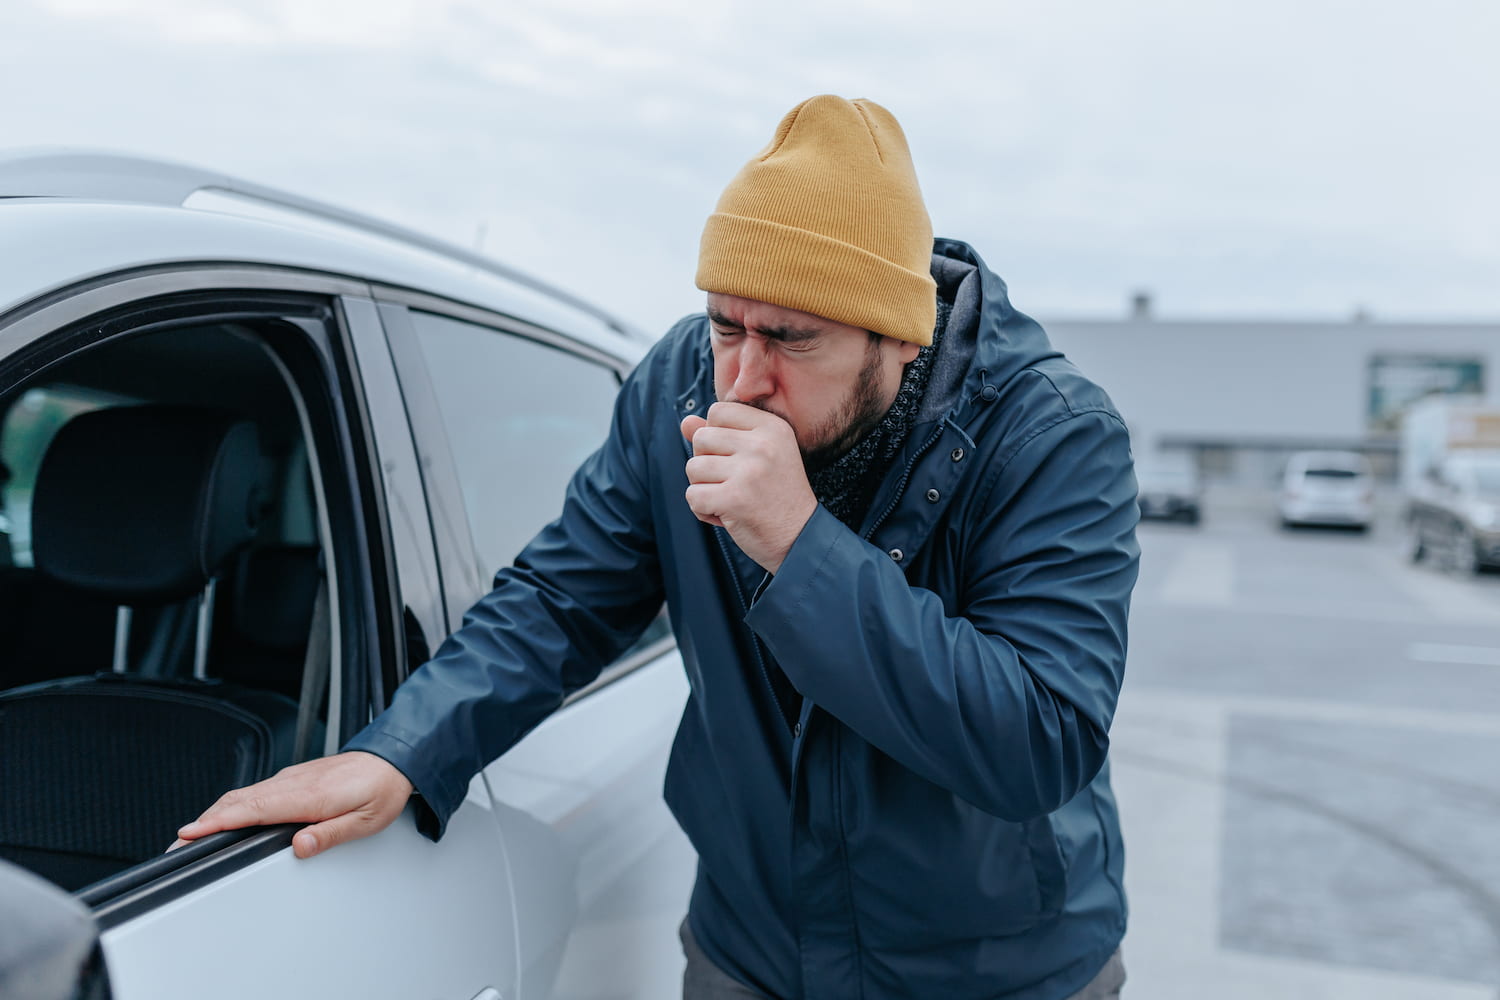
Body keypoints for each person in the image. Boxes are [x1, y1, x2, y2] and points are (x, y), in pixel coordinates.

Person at [176, 95, 1140, 1000]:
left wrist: (797, 545)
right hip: (750, 953)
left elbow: (1042, 738)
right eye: (728, 325)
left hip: (998, 972)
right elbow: (560, 599)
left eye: (792, 341)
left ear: (895, 336)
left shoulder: (1051, 436)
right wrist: (403, 749)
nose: (744, 378)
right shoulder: (677, 385)